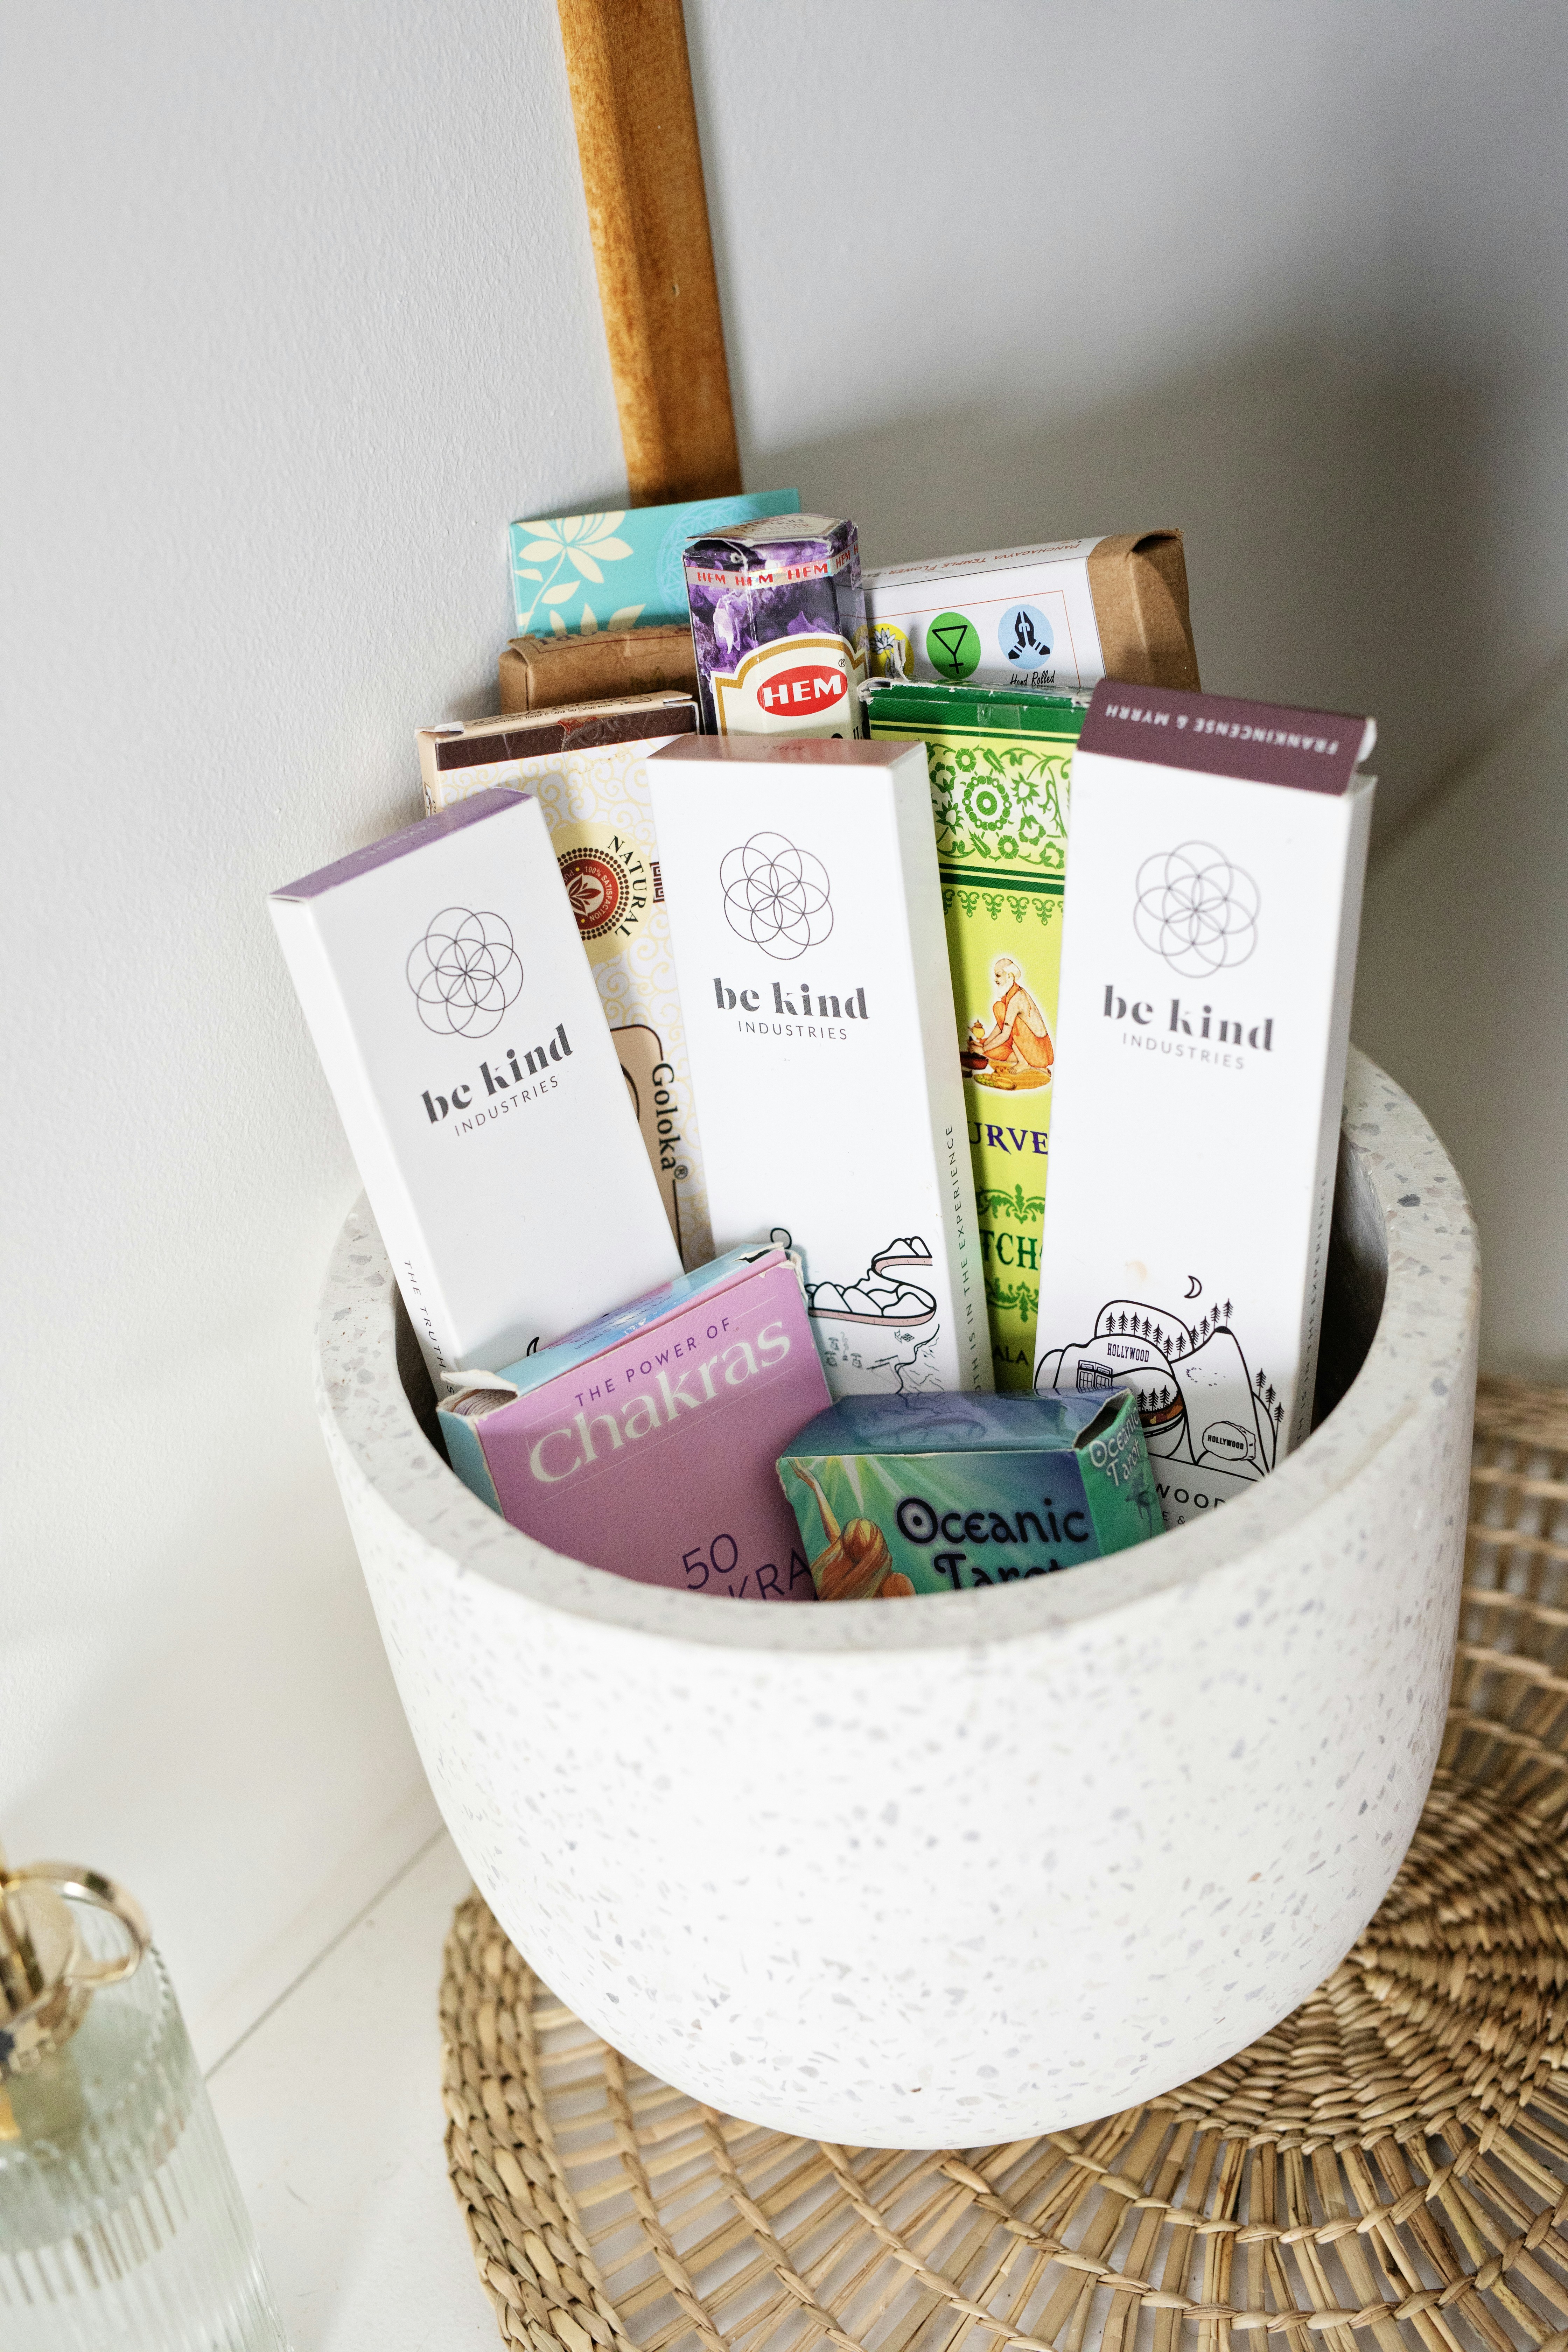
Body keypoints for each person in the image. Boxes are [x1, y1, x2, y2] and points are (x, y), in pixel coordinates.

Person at [969, 954, 1053, 1089]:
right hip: (1034, 1049)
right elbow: (1001, 1026)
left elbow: (1005, 1034)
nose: (995, 980)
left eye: (998, 975)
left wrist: (983, 1049)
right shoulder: (1010, 994)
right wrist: (983, 1043)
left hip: (1039, 1051)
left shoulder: (1016, 999)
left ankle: (1025, 1063)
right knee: (994, 1050)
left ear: (1009, 976)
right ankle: (1034, 1065)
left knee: (999, 1009)